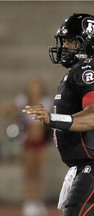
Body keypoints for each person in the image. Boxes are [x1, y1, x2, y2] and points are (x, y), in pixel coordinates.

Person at [22, 13, 94, 216]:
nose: (65, 46)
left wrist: (52, 119)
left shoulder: (88, 69)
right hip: (85, 165)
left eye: (71, 41)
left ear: (88, 45)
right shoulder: (77, 71)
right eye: (65, 41)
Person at [1, 78, 52, 216]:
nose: (34, 90)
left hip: (41, 143)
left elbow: (52, 116)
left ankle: (38, 201)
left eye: (37, 87)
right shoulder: (23, 100)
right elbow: (6, 110)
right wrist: (16, 118)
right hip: (28, 143)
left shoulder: (46, 101)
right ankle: (29, 202)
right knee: (29, 173)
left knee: (39, 173)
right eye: (32, 87)